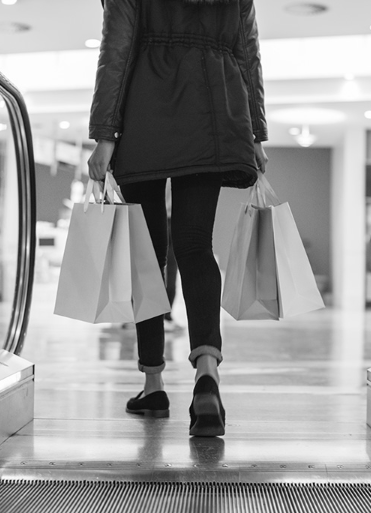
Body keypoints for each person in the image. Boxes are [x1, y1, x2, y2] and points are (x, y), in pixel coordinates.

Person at [87, 0, 268, 437]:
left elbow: (117, 50)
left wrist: (105, 135)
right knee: (195, 244)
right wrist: (257, 133)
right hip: (214, 113)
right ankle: (207, 375)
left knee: (147, 253)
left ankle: (153, 383)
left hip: (143, 116)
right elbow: (248, 54)